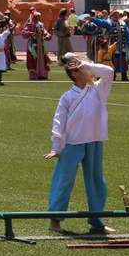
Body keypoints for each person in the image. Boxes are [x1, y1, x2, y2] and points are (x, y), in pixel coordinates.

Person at [46, 53, 114, 236]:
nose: (91, 72)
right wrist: (56, 146)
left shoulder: (99, 90)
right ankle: (55, 219)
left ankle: (96, 221)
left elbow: (109, 72)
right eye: (85, 69)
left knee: (96, 181)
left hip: (94, 141)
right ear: (75, 74)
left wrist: (87, 65)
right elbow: (59, 122)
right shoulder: (67, 97)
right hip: (72, 143)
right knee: (64, 179)